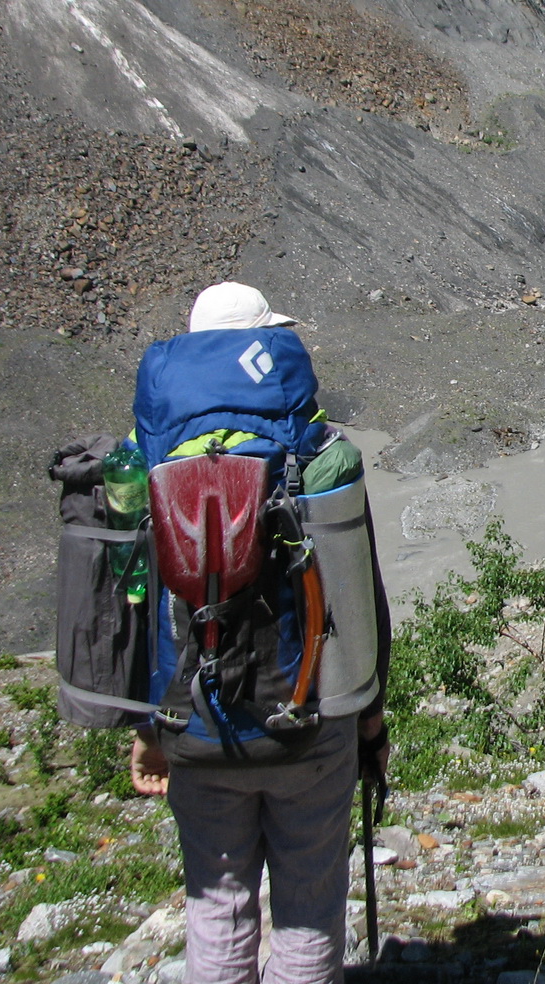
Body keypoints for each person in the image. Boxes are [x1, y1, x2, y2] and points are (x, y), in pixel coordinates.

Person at [128, 281, 390, 984]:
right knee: (308, 909)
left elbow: (143, 609)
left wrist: (149, 730)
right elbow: (359, 598)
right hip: (307, 720)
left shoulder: (148, 461)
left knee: (215, 907)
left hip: (193, 726)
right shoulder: (316, 455)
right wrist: (370, 725)